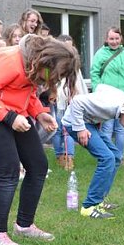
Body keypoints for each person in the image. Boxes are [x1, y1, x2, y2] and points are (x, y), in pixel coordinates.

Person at [0, 35, 80, 245]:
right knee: (9, 170)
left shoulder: (34, 64)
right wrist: (10, 118)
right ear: (48, 60)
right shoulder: (11, 60)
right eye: (56, 74)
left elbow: (27, 93)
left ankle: (24, 225)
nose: (54, 79)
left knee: (38, 166)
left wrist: (39, 114)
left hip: (16, 115)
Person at [62, 84, 124, 219]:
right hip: (75, 123)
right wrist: (80, 128)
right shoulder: (110, 106)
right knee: (107, 158)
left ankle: (99, 200)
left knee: (116, 156)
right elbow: (76, 101)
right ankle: (89, 207)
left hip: (89, 123)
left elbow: (101, 87)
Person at [90, 26, 124, 177]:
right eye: (111, 39)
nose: (114, 41)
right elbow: (94, 74)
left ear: (121, 39)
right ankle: (106, 157)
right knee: (106, 129)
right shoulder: (100, 54)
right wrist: (97, 91)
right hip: (107, 98)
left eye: (116, 39)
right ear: (106, 39)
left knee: (121, 129)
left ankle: (120, 157)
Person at [52, 34, 85, 170]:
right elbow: (50, 79)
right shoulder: (53, 62)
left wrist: (77, 95)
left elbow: (79, 81)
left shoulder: (74, 63)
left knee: (68, 128)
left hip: (71, 99)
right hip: (57, 98)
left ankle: (69, 157)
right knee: (56, 128)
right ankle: (59, 156)